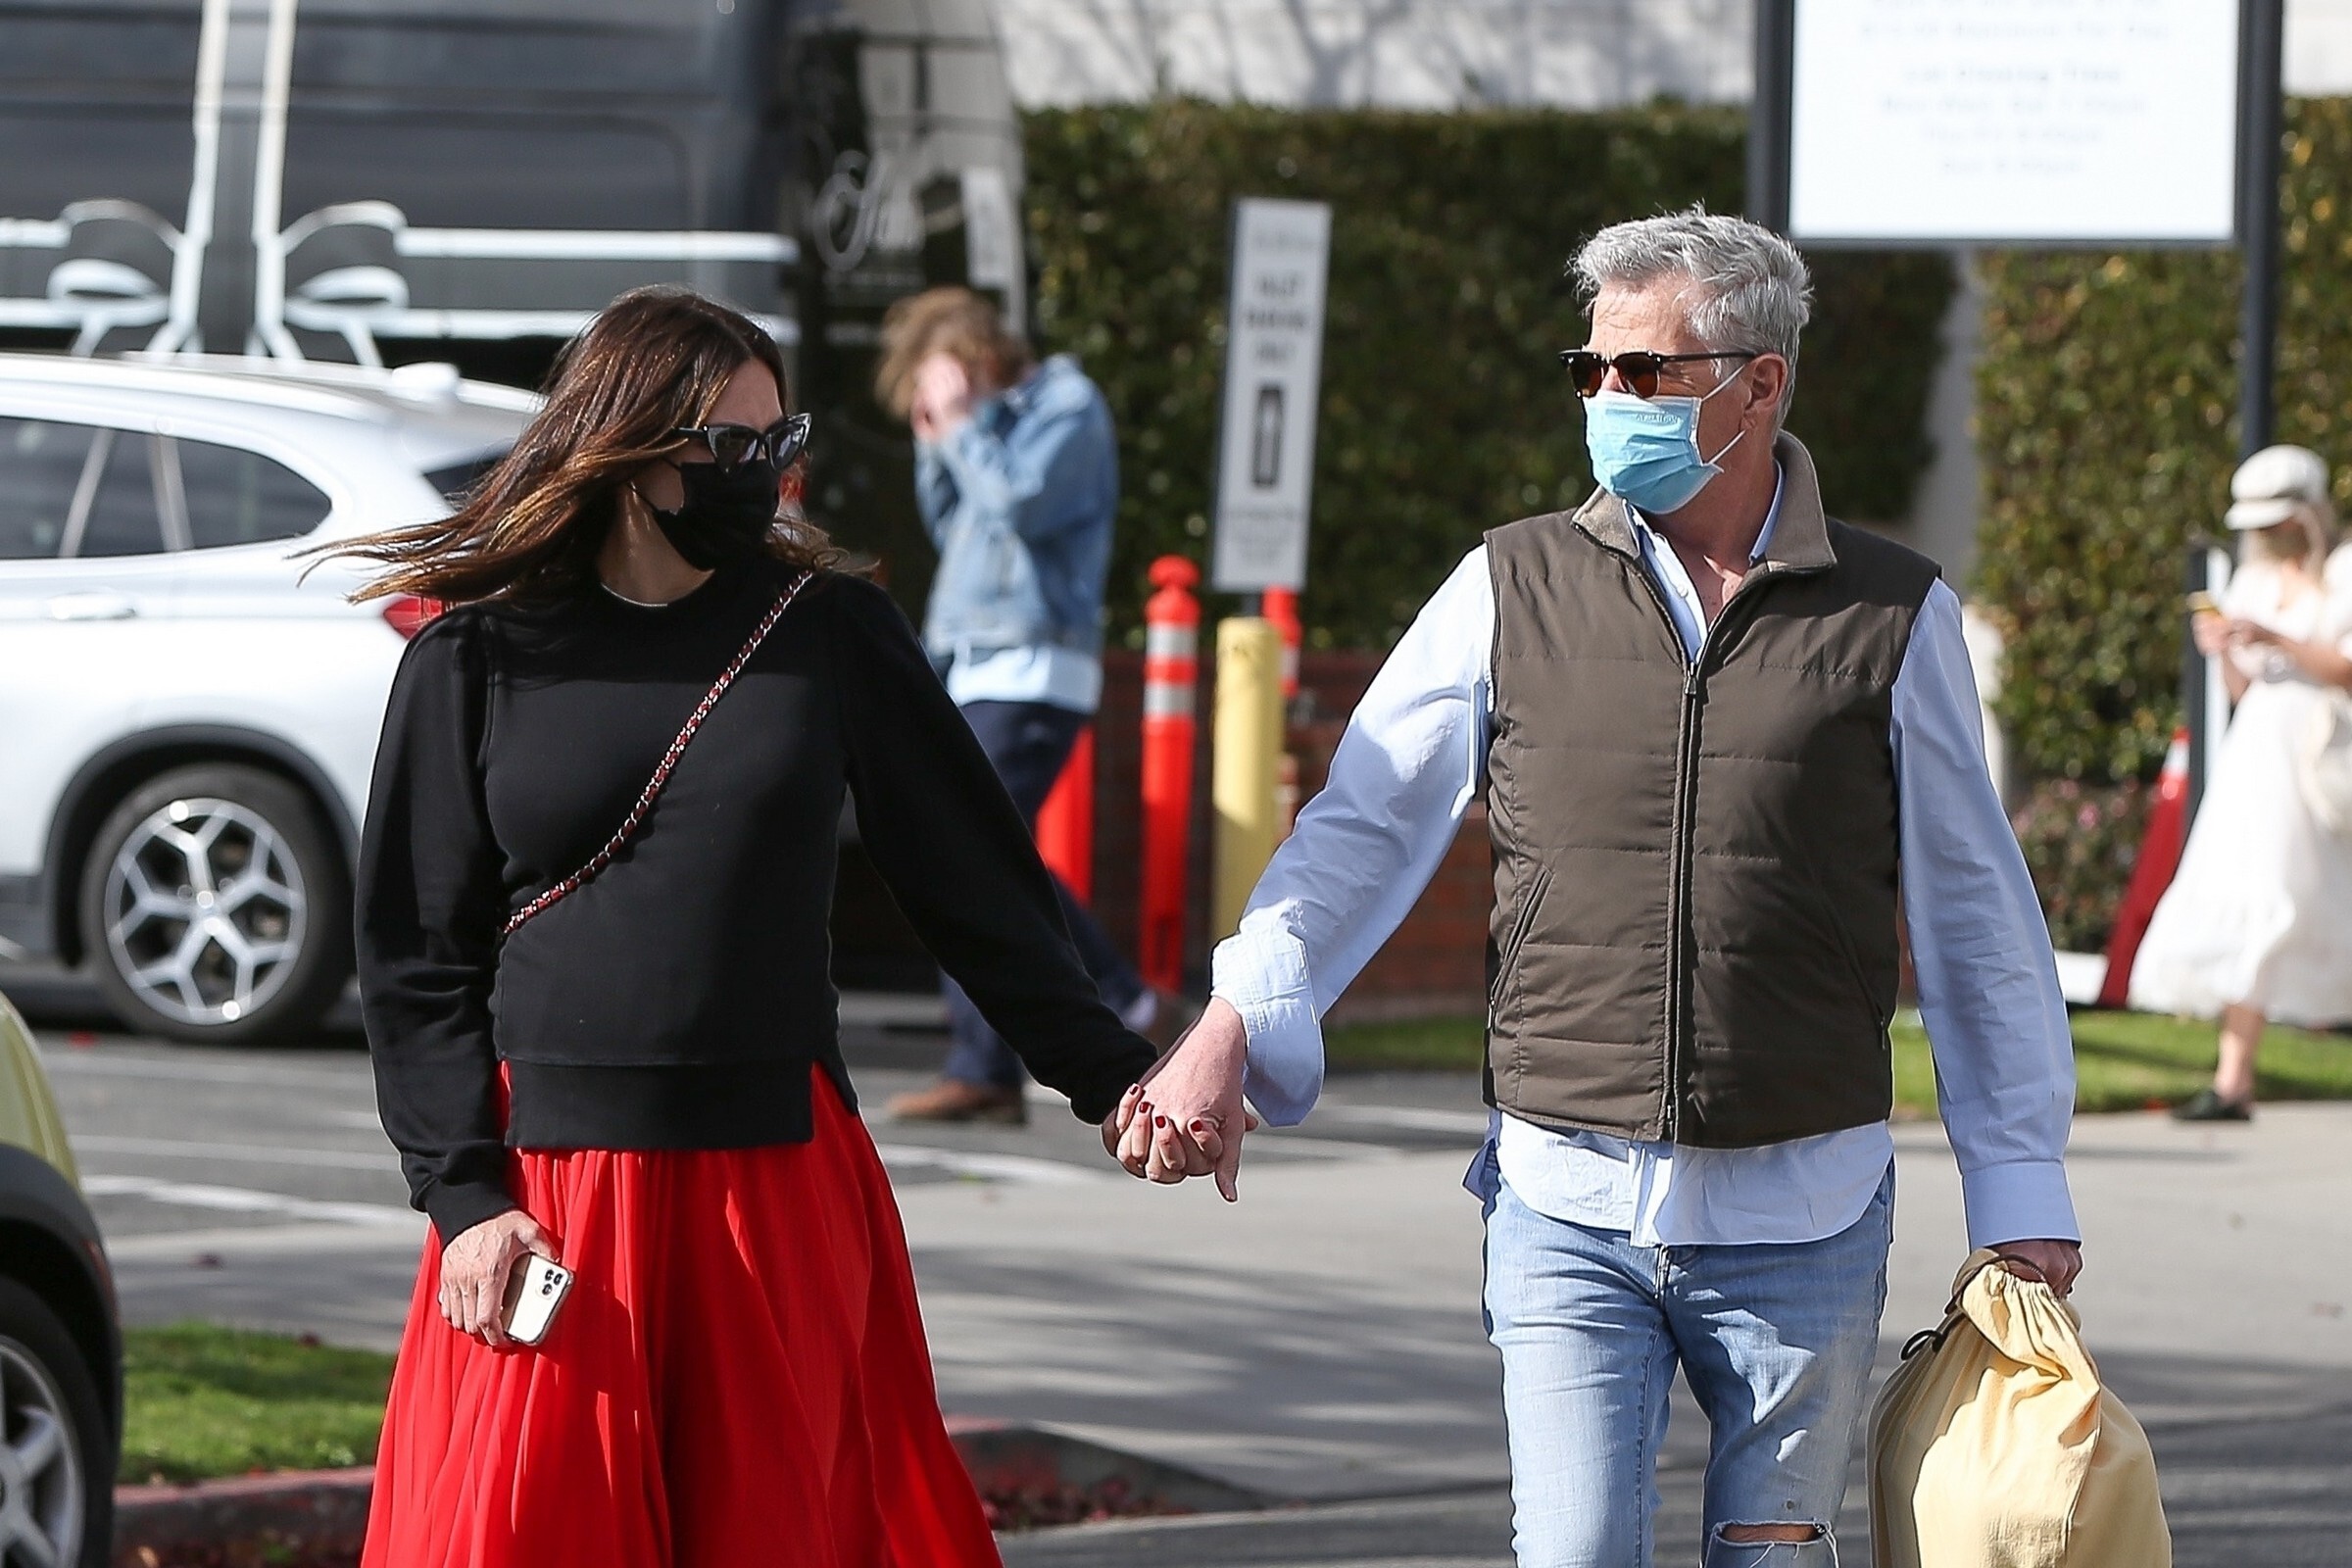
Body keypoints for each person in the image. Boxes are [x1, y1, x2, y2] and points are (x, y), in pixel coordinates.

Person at [1116, 209, 2083, 1567]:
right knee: (1573, 1552)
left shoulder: (1892, 612)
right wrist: (1236, 1018)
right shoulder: (1509, 584)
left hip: (1803, 1209)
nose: (1610, 399)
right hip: (1564, 1196)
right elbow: (1361, 825)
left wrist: (2021, 1187)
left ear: (1761, 384)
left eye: (1647, 371)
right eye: (1593, 370)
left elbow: (1976, 911)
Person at [343, 286, 1157, 1568]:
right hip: (552, 1191)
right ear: (626, 448)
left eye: (779, 442)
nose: (764, 474)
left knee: (784, 1531)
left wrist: (1115, 1080)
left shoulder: (829, 631)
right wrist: (463, 1197)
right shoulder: (476, 656)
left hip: (772, 1183)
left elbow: (979, 889)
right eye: (730, 445)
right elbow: (416, 957)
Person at [873, 286, 1170, 1125]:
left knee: (965, 843)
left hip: (1035, 665)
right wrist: (937, 443)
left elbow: (1020, 505)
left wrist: (964, 427)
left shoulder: (1067, 405)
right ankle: (1014, 1055)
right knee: (966, 844)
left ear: (975, 356)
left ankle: (1065, 1026)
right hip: (971, 662)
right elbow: (956, 528)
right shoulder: (982, 425)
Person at [2130, 444, 2352, 1119]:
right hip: (2256, 753)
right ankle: (2233, 1078)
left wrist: (2275, 637)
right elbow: (2242, 688)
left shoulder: (2343, 572)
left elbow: (2345, 669)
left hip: (2320, 753)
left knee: (2313, 901)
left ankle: (2235, 1079)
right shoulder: (2251, 580)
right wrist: (2223, 649)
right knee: (2252, 898)